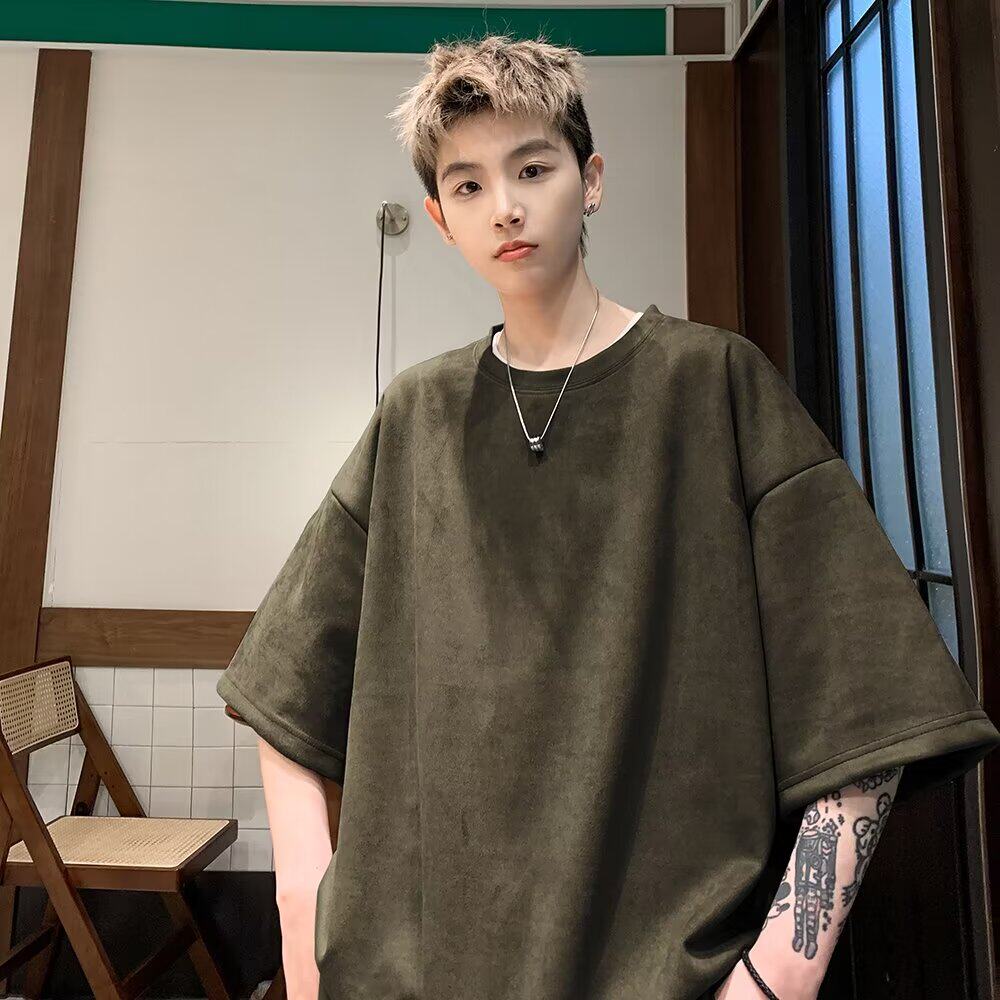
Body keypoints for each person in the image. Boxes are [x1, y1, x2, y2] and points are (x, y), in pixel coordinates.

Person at [216, 32, 1000, 1000]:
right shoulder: (418, 414)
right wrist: (302, 908)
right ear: (441, 220)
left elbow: (873, 700)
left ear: (589, 181)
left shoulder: (710, 385)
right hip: (407, 970)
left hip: (660, 969)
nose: (504, 206)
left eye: (531, 168)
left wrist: (784, 971)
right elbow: (284, 683)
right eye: (468, 186)